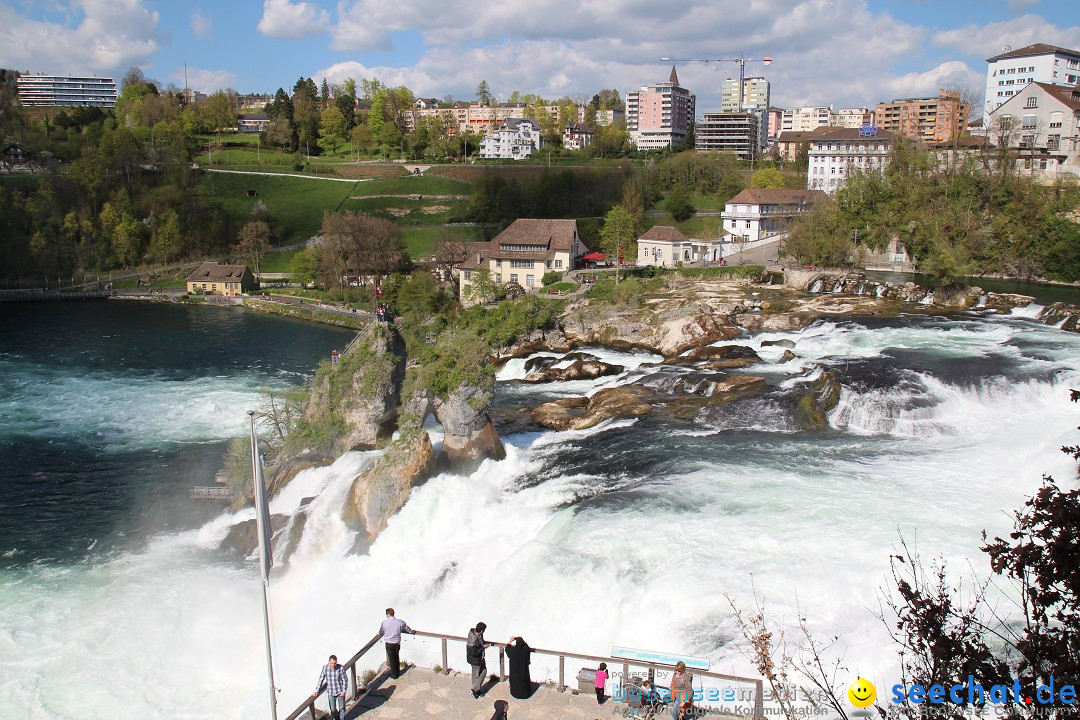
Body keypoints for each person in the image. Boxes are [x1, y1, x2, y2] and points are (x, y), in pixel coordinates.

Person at [378, 607, 414, 679]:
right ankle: (397, 671)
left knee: (392, 659)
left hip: (388, 643)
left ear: (387, 614)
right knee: (396, 657)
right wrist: (412, 632)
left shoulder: (384, 623)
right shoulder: (400, 622)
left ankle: (395, 675)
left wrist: (379, 634)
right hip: (397, 643)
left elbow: (380, 632)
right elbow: (408, 629)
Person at [311, 654, 348, 720]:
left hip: (340, 691)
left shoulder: (340, 668)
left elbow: (345, 680)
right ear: (329, 662)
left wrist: (344, 691)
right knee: (333, 709)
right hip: (331, 692)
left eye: (334, 663)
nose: (333, 665)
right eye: (331, 663)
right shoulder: (325, 668)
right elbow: (321, 679)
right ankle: (337, 718)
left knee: (342, 708)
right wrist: (317, 690)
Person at [466, 621, 492, 698]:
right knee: (476, 675)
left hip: (480, 658)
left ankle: (475, 689)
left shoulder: (478, 634)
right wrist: (483, 647)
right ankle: (475, 690)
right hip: (475, 660)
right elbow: (474, 653)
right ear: (481, 630)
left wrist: (483, 645)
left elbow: (480, 643)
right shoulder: (472, 640)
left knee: (483, 671)